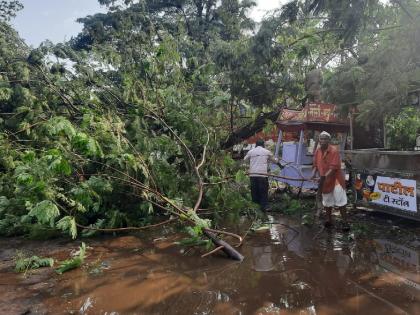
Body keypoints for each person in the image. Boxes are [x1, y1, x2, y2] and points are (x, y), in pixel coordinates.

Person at [312, 131, 349, 230]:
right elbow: (315, 165)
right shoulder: (317, 151)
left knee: (340, 201)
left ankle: (345, 222)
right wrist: (313, 174)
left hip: (336, 179)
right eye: (321, 139)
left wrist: (323, 176)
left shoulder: (334, 151)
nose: (323, 141)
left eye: (325, 139)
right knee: (327, 201)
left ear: (329, 140)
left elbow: (334, 168)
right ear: (319, 140)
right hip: (324, 180)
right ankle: (328, 220)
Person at [244, 139, 277, 210]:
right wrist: (276, 160)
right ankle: (264, 206)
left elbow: (245, 159)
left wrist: (251, 163)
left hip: (253, 175)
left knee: (254, 191)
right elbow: (275, 160)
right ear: (263, 145)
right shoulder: (267, 152)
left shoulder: (251, 151)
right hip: (262, 175)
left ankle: (255, 207)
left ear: (256, 144)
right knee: (263, 191)